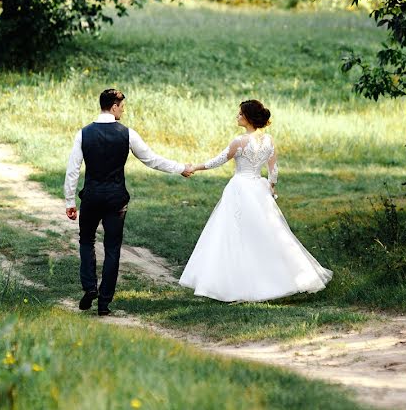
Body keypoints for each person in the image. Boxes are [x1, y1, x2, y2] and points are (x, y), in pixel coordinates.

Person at [179, 99, 332, 302]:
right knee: (265, 233)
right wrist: (270, 187)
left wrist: (194, 167)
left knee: (234, 233)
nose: (237, 116)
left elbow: (218, 160)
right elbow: (273, 170)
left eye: (240, 114)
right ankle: (273, 279)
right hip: (258, 189)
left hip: (240, 188)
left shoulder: (239, 141)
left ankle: (233, 285)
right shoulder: (269, 140)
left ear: (249, 118)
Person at [64, 88, 194, 316]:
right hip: (116, 199)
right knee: (112, 248)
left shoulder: (83, 133)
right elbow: (152, 160)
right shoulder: (127, 134)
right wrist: (181, 168)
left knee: (86, 241)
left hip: (92, 197)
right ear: (113, 106)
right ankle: (104, 303)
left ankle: (89, 287)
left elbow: (73, 170)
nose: (123, 110)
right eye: (122, 106)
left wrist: (69, 201)